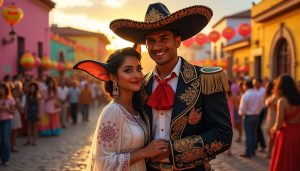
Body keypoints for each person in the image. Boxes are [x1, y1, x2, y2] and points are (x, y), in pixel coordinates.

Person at [110, 2, 232, 170]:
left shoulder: (205, 78)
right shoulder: (141, 85)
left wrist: (173, 151)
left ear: (177, 41)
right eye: (151, 41)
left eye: (164, 39)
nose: (157, 46)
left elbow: (222, 134)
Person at [74, 47, 169, 171]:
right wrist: (145, 152)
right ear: (113, 77)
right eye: (128, 70)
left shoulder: (138, 109)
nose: (137, 75)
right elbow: (103, 163)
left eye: (138, 69)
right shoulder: (113, 111)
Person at [269, 75, 300, 171]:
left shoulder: (282, 101)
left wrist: (272, 129)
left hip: (286, 136)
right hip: (298, 132)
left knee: (285, 163)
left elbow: (278, 125)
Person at [239, 80, 264, 158]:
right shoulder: (258, 94)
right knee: (254, 134)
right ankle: (253, 150)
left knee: (249, 135)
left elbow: (242, 108)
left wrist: (242, 114)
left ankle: (248, 152)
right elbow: (262, 106)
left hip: (248, 116)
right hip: (256, 116)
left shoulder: (246, 95)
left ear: (246, 86)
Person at [0, 82, 15, 166]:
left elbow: (13, 112)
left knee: (5, 140)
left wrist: (6, 109)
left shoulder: (10, 99)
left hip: (7, 121)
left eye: (2, 88)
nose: (1, 90)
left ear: (6, 89)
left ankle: (6, 159)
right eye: (0, 88)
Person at [264, 81, 277, 158]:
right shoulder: (270, 96)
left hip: (275, 118)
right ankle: (269, 153)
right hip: (270, 118)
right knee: (271, 137)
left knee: (273, 138)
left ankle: (272, 153)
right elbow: (267, 103)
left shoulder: (277, 96)